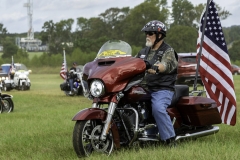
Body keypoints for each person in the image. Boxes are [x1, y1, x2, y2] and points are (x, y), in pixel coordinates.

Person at [136, 20, 178, 146]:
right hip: (144, 88)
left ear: (159, 35)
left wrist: (157, 68)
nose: (147, 35)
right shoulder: (143, 52)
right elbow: (132, 63)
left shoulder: (168, 51)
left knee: (158, 108)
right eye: (146, 33)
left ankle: (169, 140)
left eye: (150, 33)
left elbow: (166, 64)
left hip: (162, 89)